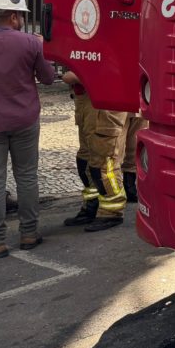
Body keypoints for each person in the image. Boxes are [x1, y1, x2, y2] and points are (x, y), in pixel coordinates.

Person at [0, 0, 55, 258]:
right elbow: (48, 78)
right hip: (25, 119)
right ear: (13, 17)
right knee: (27, 176)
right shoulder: (31, 43)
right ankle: (29, 233)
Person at [60, 71, 128, 231]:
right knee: (85, 159)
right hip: (85, 101)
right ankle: (93, 205)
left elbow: (113, 70)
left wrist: (78, 75)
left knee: (104, 163)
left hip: (104, 104)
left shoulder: (111, 46)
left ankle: (112, 211)